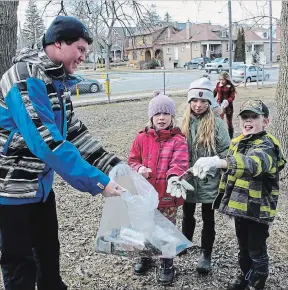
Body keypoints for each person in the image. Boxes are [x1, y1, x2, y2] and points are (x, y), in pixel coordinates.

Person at [0, 16, 125, 290]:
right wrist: (97, 181)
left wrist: (117, 168)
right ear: (58, 43)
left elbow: (75, 133)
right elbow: (45, 141)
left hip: (40, 189)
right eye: (80, 50)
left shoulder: (57, 81)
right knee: (19, 266)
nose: (83, 57)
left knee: (48, 257)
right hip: (10, 190)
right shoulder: (24, 78)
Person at [192, 100, 286, 290]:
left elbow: (252, 164)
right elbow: (230, 172)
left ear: (266, 121)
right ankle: (245, 276)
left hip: (257, 211)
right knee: (243, 247)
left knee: (256, 249)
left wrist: (219, 162)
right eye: (245, 117)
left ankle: (256, 282)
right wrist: (202, 169)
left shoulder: (268, 146)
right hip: (240, 208)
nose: (248, 121)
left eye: (254, 117)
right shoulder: (238, 142)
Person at [128, 91, 193, 286]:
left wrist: (173, 177)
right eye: (157, 114)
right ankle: (145, 256)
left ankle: (166, 264)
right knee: (144, 226)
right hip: (145, 195)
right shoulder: (141, 138)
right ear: (151, 117)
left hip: (167, 196)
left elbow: (179, 163)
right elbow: (132, 160)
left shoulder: (178, 140)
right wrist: (139, 169)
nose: (161, 118)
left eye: (166, 114)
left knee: (165, 229)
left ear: (172, 116)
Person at [179, 77, 230, 273]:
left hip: (209, 180)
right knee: (187, 213)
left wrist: (214, 163)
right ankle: (184, 242)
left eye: (203, 101)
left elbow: (227, 151)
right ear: (189, 101)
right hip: (188, 179)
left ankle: (205, 253)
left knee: (208, 217)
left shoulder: (217, 123)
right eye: (194, 100)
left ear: (209, 102)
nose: (198, 105)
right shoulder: (182, 122)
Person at [214, 71, 236, 139]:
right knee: (219, 122)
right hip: (220, 106)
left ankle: (231, 137)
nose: (221, 81)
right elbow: (214, 92)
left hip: (228, 106)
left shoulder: (230, 86)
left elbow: (232, 96)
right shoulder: (218, 84)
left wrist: (227, 101)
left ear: (226, 79)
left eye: (223, 79)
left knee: (229, 123)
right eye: (220, 79)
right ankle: (219, 136)